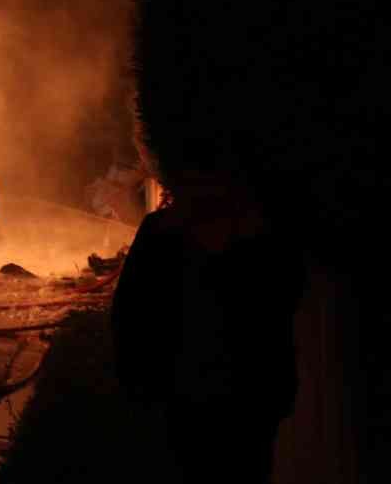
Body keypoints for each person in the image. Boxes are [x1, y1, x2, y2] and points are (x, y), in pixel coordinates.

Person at [112, 157, 304, 483]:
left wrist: (141, 395)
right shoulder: (270, 238)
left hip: (196, 407)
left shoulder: (162, 234)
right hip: (243, 409)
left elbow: (128, 325)